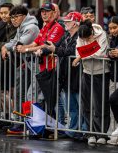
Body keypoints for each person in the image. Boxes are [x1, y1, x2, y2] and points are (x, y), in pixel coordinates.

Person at [45, 11, 87, 139]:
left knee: (81, 106)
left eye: (68, 21)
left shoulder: (80, 36)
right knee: (71, 107)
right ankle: (74, 130)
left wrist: (55, 50)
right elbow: (56, 46)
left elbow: (71, 51)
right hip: (66, 75)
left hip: (77, 75)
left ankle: (82, 131)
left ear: (75, 23)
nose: (65, 23)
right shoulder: (66, 36)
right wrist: (46, 49)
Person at [72, 19, 110, 145]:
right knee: (86, 105)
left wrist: (80, 56)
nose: (86, 40)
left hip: (101, 72)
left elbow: (101, 53)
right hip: (87, 72)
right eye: (84, 40)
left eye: (88, 38)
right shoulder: (80, 34)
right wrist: (89, 49)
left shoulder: (101, 34)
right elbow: (78, 51)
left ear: (92, 33)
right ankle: (90, 133)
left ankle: (102, 133)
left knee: (100, 105)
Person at [16, 2, 64, 72]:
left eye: (47, 11)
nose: (44, 14)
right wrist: (24, 47)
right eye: (42, 11)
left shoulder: (57, 27)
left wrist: (26, 50)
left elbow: (46, 46)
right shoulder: (44, 27)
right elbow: (35, 42)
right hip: (42, 65)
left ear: (53, 13)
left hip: (52, 67)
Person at [108, 16, 118, 82]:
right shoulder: (111, 38)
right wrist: (109, 54)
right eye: (110, 28)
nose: (112, 31)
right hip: (114, 72)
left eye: (115, 28)